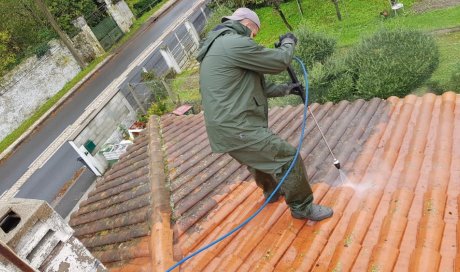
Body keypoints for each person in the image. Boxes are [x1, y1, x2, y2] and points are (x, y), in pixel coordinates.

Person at [196, 8, 333, 221]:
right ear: (248, 24)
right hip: (238, 126)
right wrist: (289, 42)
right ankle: (302, 208)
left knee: (258, 158)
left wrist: (287, 88)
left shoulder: (218, 46)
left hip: (224, 129)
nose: (253, 38)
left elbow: (254, 87)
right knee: (288, 157)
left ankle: (272, 192)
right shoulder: (233, 43)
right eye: (255, 33)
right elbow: (280, 62)